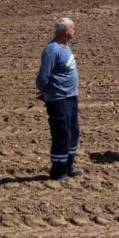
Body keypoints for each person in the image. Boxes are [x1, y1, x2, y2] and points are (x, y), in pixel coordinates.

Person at [35, 17, 80, 181]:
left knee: (73, 132)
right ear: (66, 31)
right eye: (73, 28)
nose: (74, 30)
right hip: (59, 99)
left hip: (70, 97)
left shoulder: (65, 46)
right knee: (62, 134)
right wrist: (47, 94)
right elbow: (42, 78)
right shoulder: (52, 50)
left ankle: (68, 166)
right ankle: (58, 171)